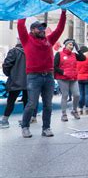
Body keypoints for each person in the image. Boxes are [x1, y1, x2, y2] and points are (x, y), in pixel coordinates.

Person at [18, 10, 67, 138]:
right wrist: (24, 9)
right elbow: (20, 25)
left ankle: (46, 128)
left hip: (49, 76)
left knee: (48, 104)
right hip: (34, 76)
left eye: (43, 28)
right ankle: (25, 127)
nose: (42, 30)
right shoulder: (26, 39)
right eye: (39, 28)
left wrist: (63, 13)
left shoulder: (49, 40)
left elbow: (60, 29)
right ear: (32, 30)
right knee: (32, 103)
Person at [54, 38, 85, 121]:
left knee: (77, 95)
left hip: (73, 78)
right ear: (66, 45)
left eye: (72, 45)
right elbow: (55, 66)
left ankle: (74, 110)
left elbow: (83, 58)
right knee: (65, 95)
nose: (71, 46)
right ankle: (64, 114)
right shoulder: (59, 54)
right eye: (70, 45)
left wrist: (78, 49)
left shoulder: (74, 54)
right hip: (62, 78)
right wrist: (63, 72)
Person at [1, 43, 27, 128]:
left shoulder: (14, 51)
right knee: (27, 102)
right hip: (30, 80)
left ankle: (5, 121)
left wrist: (10, 74)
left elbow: (7, 65)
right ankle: (26, 121)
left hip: (15, 80)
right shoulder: (30, 51)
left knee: (11, 101)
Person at [76, 46, 88, 115]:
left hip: (80, 78)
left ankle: (80, 109)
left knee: (81, 94)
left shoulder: (78, 59)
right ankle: (87, 109)